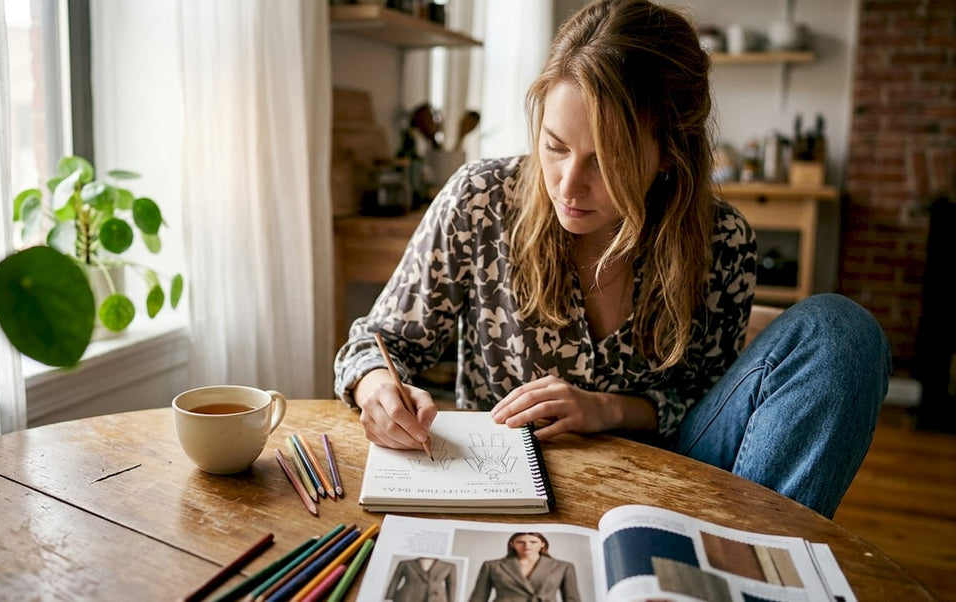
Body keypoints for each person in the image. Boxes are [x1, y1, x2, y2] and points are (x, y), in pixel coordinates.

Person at [333, 0, 890, 518]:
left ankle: (752, 563)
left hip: (673, 467)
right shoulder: (480, 200)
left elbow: (704, 403)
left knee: (842, 332)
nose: (568, 185)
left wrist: (606, 409)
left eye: (606, 161)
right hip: (506, 478)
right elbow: (374, 343)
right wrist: (378, 386)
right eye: (554, 146)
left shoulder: (722, 241)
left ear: (669, 153)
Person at [468, 532, 580, 602]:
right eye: (520, 542)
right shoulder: (492, 566)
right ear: (512, 544)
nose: (527, 546)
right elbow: (478, 598)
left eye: (533, 542)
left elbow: (572, 599)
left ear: (542, 544)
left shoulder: (563, 567)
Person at [385, 556, 456, 602]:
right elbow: (394, 582)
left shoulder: (449, 566)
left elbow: (452, 586)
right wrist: (388, 599)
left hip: (436, 598)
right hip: (407, 598)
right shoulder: (405, 563)